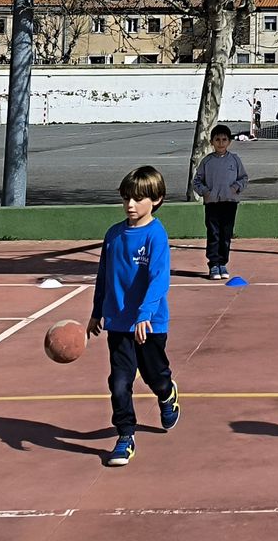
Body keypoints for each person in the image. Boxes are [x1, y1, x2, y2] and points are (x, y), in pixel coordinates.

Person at [88, 165, 179, 466]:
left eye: (138, 199)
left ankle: (167, 395)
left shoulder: (156, 235)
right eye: (127, 198)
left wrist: (145, 315)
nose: (130, 205)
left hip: (150, 325)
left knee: (156, 378)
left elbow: (159, 279)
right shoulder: (114, 235)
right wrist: (96, 311)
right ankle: (125, 435)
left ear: (156, 200)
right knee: (119, 382)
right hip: (118, 324)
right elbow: (104, 275)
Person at [192, 124, 248, 280]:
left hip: (229, 203)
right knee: (214, 234)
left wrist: (236, 188)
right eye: (217, 139)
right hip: (212, 204)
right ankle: (214, 264)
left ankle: (223, 263)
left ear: (229, 141)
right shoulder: (207, 162)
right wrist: (206, 192)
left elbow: (243, 178)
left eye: (224, 139)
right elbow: (196, 181)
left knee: (226, 234)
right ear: (212, 142)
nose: (221, 143)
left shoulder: (235, 160)